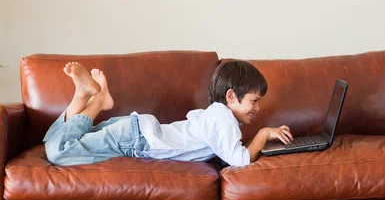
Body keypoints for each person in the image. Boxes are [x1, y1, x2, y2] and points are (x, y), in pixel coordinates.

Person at [43, 60, 293, 167]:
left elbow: (230, 151)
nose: (257, 108)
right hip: (134, 138)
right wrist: (263, 134)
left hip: (134, 131)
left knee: (60, 141)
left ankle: (94, 100)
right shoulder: (222, 120)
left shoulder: (218, 116)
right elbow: (239, 160)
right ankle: (90, 99)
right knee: (60, 151)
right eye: (254, 101)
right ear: (231, 97)